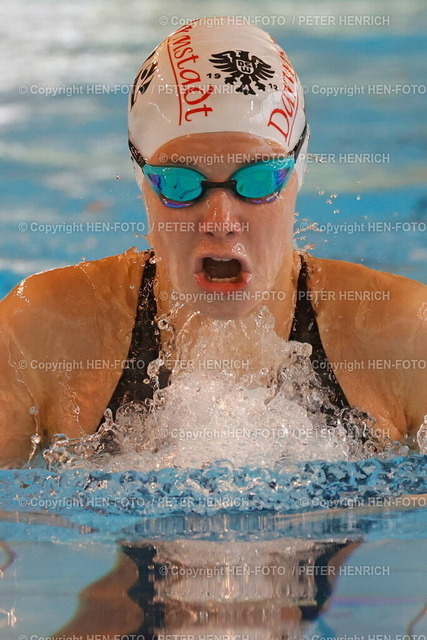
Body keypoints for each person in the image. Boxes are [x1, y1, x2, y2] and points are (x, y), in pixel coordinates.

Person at [0, 18, 425, 467]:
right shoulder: (42, 334)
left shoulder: (402, 335)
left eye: (258, 180)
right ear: (143, 181)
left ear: (297, 172)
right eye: (180, 183)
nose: (221, 222)